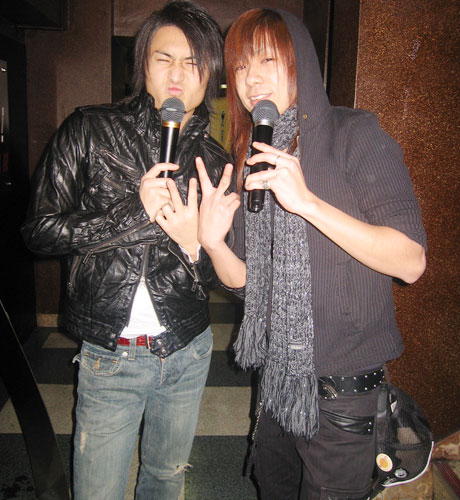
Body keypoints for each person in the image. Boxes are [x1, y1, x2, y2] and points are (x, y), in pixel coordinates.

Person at [196, 8, 427, 500]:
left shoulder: (355, 135)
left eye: (266, 59)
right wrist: (212, 242)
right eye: (240, 66)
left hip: (345, 396)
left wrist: (308, 204)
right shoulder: (253, 158)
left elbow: (410, 261)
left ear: (298, 60)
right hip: (277, 383)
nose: (251, 78)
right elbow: (245, 282)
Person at [21, 2, 230, 499]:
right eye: (164, 59)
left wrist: (194, 247)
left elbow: (217, 276)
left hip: (187, 349)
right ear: (143, 66)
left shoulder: (215, 160)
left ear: (210, 75)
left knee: (166, 478)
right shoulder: (88, 129)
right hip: (111, 354)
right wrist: (134, 211)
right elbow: (39, 232)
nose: (177, 75)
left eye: (193, 62)